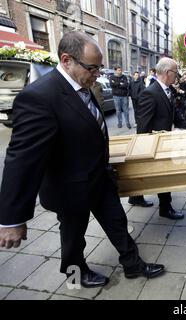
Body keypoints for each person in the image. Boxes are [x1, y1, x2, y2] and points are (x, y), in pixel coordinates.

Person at [0, 31, 165, 288]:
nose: (97, 73)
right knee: (74, 238)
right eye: (92, 68)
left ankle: (133, 265)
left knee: (118, 223)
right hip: (70, 189)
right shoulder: (40, 96)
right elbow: (22, 160)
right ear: (67, 60)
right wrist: (12, 219)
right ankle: (75, 277)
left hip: (99, 179)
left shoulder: (85, 86)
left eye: (99, 67)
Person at [134, 57, 186, 220]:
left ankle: (135, 196)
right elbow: (143, 124)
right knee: (164, 175)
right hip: (156, 144)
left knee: (161, 174)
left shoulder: (168, 89)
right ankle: (165, 208)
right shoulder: (150, 93)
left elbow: (175, 115)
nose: (177, 76)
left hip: (166, 140)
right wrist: (143, 148)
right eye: (176, 72)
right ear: (167, 73)